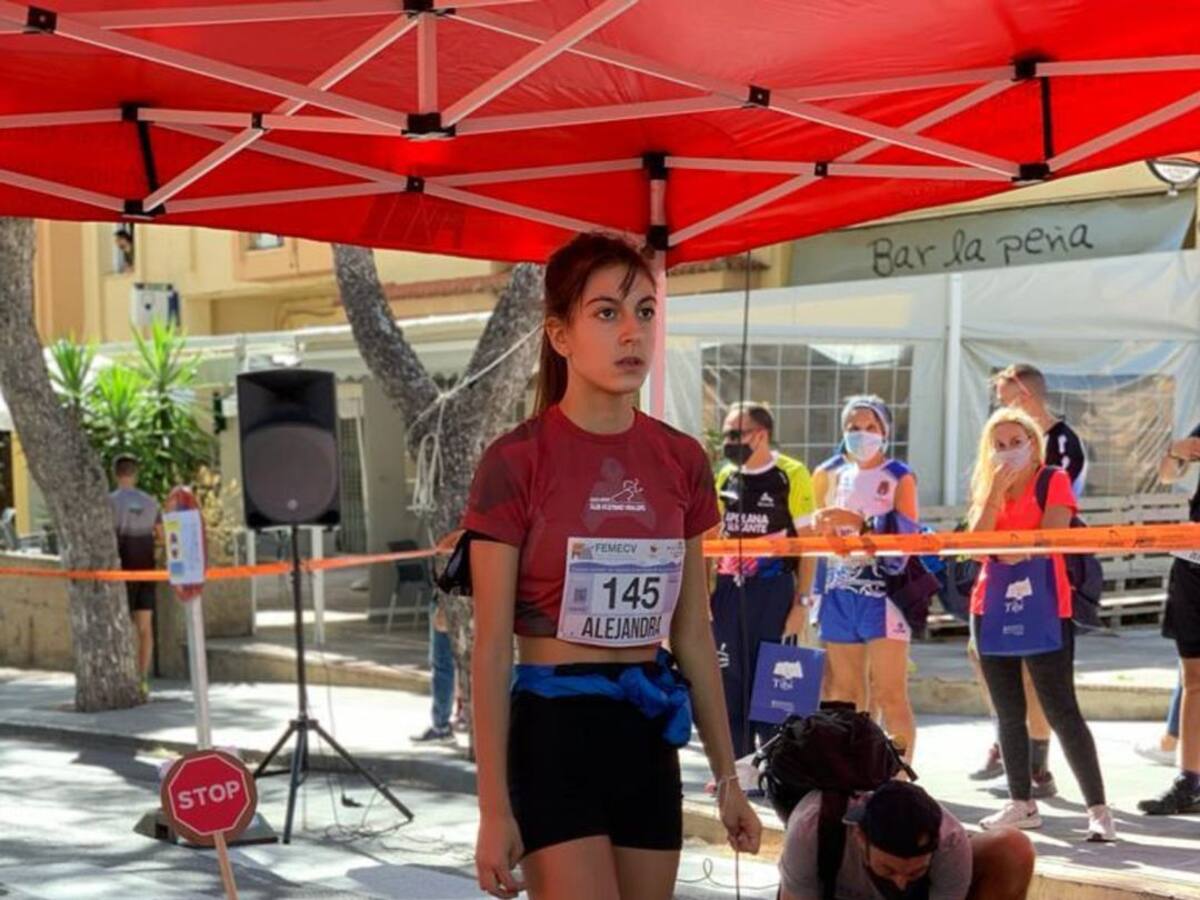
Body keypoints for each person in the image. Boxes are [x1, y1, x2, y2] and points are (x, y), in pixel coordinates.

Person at [465, 233, 761, 900]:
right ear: (559, 334)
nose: (633, 332)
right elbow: (488, 647)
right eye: (606, 313)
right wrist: (491, 809)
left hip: (648, 724)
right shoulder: (515, 462)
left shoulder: (681, 460)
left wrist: (729, 780)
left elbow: (693, 633)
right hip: (553, 727)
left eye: (647, 312)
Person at [966, 407, 1114, 839]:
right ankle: (1020, 801)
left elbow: (1055, 533)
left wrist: (1020, 548)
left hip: (1045, 601)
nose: (1009, 451)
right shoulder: (986, 485)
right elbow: (975, 543)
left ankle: (1098, 808)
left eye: (1017, 442)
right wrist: (994, 488)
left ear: (1034, 442)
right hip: (990, 602)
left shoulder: (1053, 479)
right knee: (1007, 711)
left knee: (1060, 707)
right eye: (999, 444)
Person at [970, 364, 1088, 794]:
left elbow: (1053, 513)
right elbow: (976, 539)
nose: (1002, 409)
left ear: (1024, 394)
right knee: (989, 665)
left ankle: (1038, 763)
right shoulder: (992, 472)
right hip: (995, 582)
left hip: (1044, 577)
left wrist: (1015, 542)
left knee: (1044, 684)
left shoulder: (1061, 446)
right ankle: (1012, 752)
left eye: (1006, 398)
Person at [811, 396, 919, 761]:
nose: (861, 434)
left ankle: (902, 775)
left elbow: (908, 540)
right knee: (847, 692)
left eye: (870, 427)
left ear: (885, 432)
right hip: (840, 592)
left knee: (889, 693)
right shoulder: (830, 473)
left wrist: (860, 524)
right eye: (853, 427)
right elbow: (818, 538)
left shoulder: (899, 475)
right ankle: (860, 771)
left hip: (884, 596)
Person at [711, 400, 816, 757]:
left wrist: (803, 602)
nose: (728, 442)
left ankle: (775, 764)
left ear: (761, 434)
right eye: (725, 434)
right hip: (728, 590)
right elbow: (712, 538)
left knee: (775, 680)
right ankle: (737, 765)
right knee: (729, 679)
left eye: (735, 434)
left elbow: (808, 545)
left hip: (774, 591)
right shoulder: (725, 475)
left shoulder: (792, 473)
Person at [779, 781, 1035, 900]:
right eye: (888, 869)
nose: (901, 883)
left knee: (1012, 847)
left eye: (915, 872)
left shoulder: (950, 840)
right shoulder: (810, 827)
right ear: (860, 836)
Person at [1138, 425, 1200, 815]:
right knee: (1192, 678)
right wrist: (1177, 451)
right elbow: (1167, 474)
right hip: (1192, 562)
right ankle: (1189, 781)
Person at [108, 454, 161, 700]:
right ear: (135, 474)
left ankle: (124, 678)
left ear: (115, 474)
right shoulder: (151, 503)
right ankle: (142, 680)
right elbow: (160, 535)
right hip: (147, 570)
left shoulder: (110, 503)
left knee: (123, 627)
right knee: (144, 627)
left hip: (121, 572)